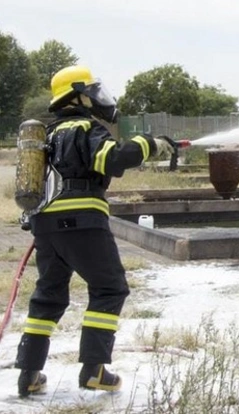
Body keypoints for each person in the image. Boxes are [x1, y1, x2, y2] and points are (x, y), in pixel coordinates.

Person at [15, 65, 174, 398]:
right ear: (77, 96)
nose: (97, 98)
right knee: (109, 288)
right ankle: (94, 370)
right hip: (82, 221)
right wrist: (149, 144)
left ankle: (28, 373)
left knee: (48, 296)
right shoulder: (85, 128)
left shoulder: (48, 134)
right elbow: (112, 160)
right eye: (91, 92)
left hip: (46, 226)